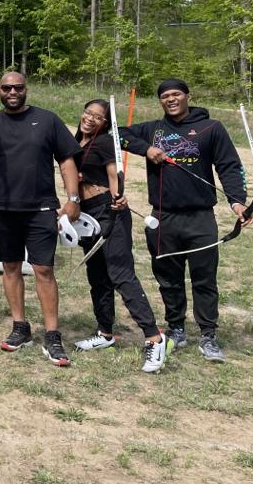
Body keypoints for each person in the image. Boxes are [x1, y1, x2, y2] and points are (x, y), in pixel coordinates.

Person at [119, 78, 251, 363]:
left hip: (200, 217)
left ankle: (208, 334)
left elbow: (229, 165)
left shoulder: (211, 128)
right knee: (168, 278)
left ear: (188, 96)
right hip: (163, 218)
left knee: (204, 278)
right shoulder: (153, 130)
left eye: (176, 94)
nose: (171, 99)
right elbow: (117, 134)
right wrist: (146, 149)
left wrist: (237, 201)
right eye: (165, 96)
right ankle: (176, 327)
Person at [0, 72, 81, 366]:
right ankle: (20, 327)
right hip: (2, 208)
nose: (12, 91)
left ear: (26, 89)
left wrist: (73, 198)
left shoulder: (48, 120)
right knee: (11, 267)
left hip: (40, 207)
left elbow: (66, 159)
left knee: (43, 270)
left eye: (18, 87)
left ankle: (52, 335)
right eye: (6, 88)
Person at [71, 99, 166, 373]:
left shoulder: (102, 143)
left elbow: (114, 173)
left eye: (98, 117)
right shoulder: (78, 142)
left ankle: (154, 337)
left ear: (105, 124)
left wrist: (117, 197)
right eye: (88, 112)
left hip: (107, 210)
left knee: (121, 274)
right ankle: (105, 333)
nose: (90, 118)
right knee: (98, 275)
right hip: (87, 214)